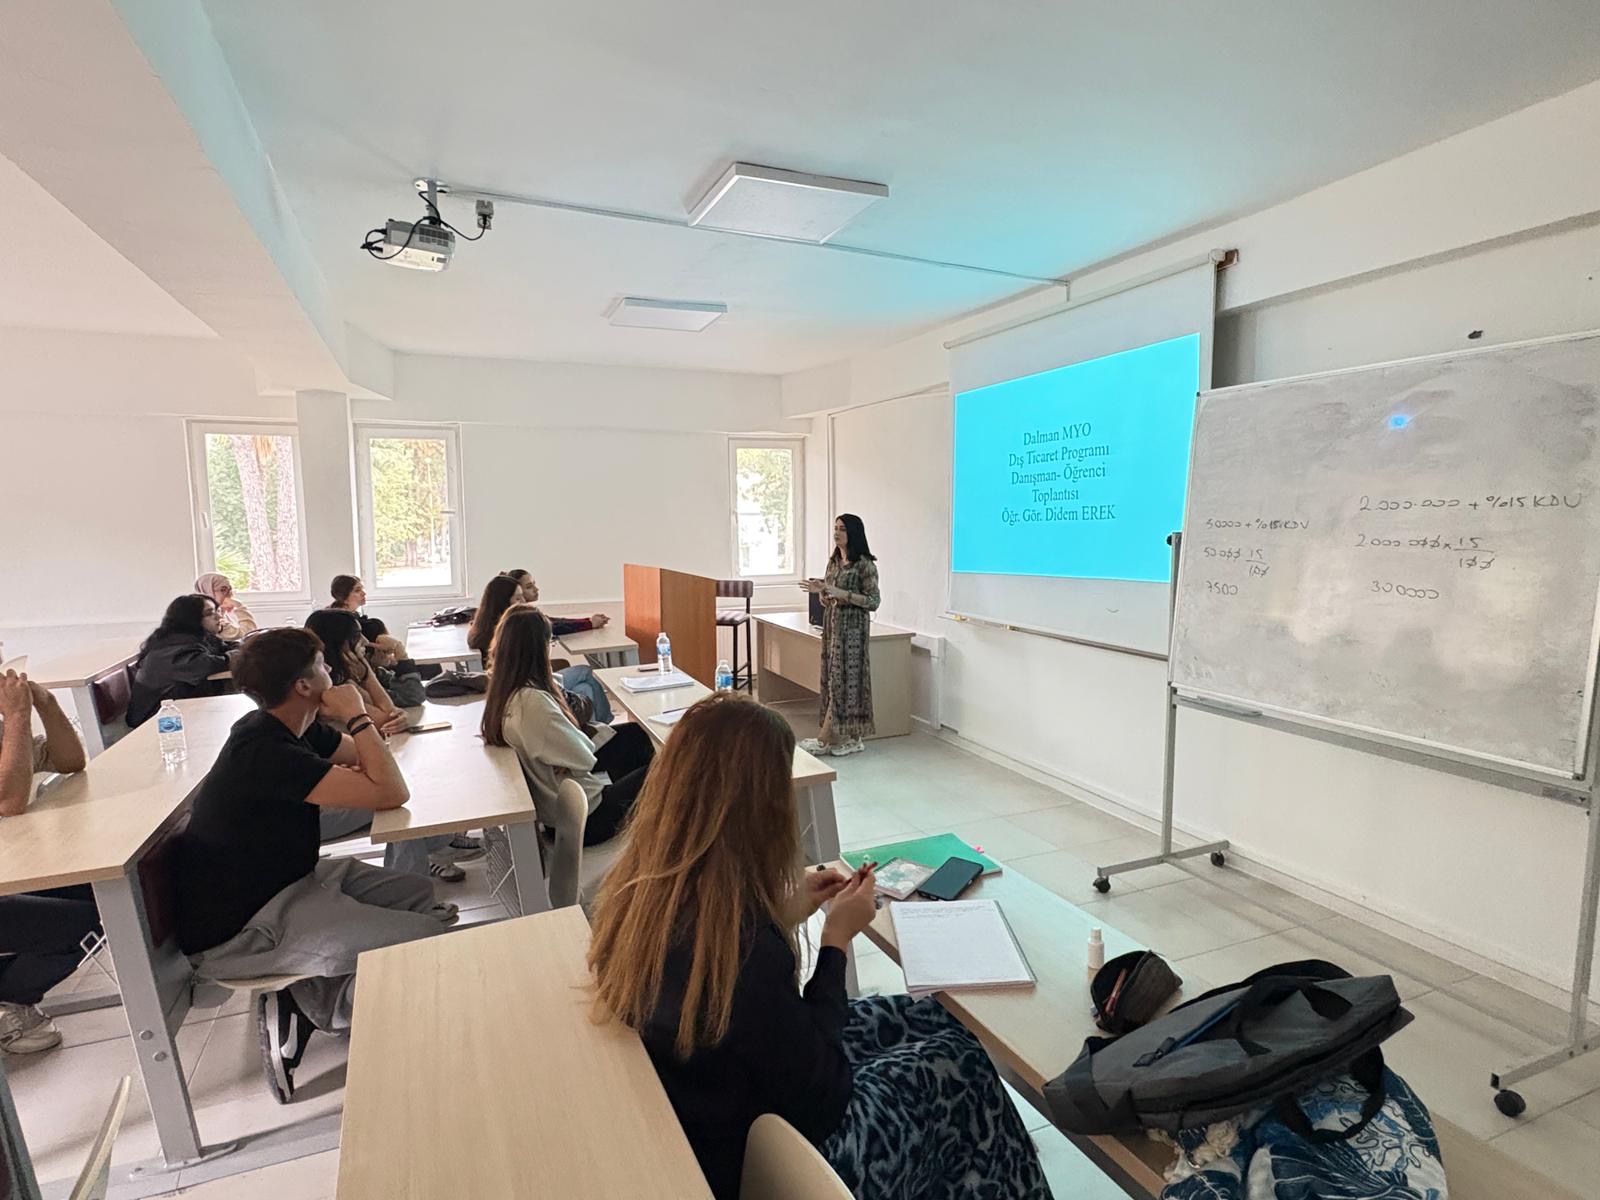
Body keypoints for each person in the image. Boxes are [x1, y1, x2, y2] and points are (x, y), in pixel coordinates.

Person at [587, 693, 1050, 1200]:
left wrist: (786, 910)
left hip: (729, 1100)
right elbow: (825, 1096)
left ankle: (983, 1161)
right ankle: (997, 1170)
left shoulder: (644, 895)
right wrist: (836, 942)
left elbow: (760, 1014)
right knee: (956, 1062)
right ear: (759, 811)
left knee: (940, 1017)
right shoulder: (746, 956)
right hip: (788, 1156)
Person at [172, 629, 456, 1102]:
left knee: (418, 896)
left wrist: (359, 727)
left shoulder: (292, 728)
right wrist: (359, 716)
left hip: (290, 881)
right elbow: (390, 791)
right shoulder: (265, 750)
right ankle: (316, 1008)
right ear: (303, 686)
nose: (332, 673)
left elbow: (372, 766)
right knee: (424, 942)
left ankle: (330, 987)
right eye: (323, 665)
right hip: (247, 922)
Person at [302, 608, 477, 881]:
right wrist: (370, 675)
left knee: (409, 787)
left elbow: (395, 709)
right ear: (344, 645)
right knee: (403, 799)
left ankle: (431, 854)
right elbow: (386, 718)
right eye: (358, 638)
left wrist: (369, 674)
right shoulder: (334, 690)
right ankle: (419, 878)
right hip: (312, 815)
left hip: (333, 791)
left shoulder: (346, 678)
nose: (366, 644)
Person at [482, 606, 652, 847]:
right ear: (538, 648)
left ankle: (631, 802)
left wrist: (563, 753)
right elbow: (584, 757)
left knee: (634, 735)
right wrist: (568, 749)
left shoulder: (506, 686)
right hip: (586, 818)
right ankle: (654, 828)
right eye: (549, 642)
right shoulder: (533, 702)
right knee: (663, 769)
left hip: (559, 802)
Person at [0, 670, 97, 1055]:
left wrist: (46, 703)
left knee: (98, 893)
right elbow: (9, 801)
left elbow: (70, 760)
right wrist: (18, 717)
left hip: (13, 868)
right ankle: (10, 999)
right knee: (83, 926)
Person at [799, 514, 881, 757]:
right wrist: (821, 591)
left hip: (853, 631)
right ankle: (848, 738)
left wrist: (842, 593)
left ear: (853, 533)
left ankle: (826, 740)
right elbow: (828, 597)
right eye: (835, 528)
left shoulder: (865, 565)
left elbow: (874, 601)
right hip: (833, 627)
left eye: (842, 529)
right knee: (834, 680)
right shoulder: (834, 561)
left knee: (849, 683)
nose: (836, 533)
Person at [127, 595, 235, 728]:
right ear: (191, 619)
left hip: (181, 710)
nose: (218, 617)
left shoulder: (197, 638)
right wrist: (242, 653)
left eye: (217, 611)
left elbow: (228, 648)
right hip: (159, 722)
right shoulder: (172, 646)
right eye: (209, 613)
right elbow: (208, 665)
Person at [504, 569, 609, 635]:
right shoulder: (520, 618)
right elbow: (554, 627)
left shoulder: (525, 614)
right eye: (529, 587)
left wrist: (588, 621)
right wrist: (590, 623)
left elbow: (552, 621)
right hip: (535, 671)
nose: (536, 589)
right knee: (585, 670)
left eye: (534, 584)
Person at [328, 574, 408, 660]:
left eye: (362, 588)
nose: (364, 593)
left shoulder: (358, 618)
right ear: (344, 597)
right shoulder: (342, 622)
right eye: (357, 590)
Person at [194, 572, 257, 643]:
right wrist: (240, 607)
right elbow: (248, 634)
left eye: (230, 589)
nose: (229, 594)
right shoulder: (209, 618)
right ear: (208, 592)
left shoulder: (225, 612)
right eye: (223, 590)